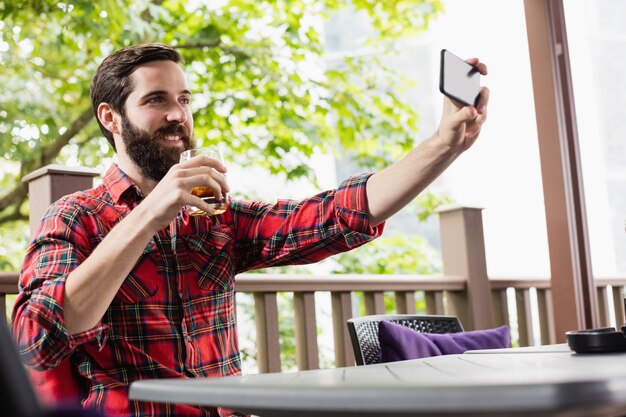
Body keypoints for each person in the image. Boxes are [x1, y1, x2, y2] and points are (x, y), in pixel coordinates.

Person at [12, 43, 489, 417]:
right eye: (157, 100)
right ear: (110, 117)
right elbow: (35, 339)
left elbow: (335, 215)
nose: (178, 114)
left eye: (183, 99)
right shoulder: (75, 217)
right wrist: (151, 213)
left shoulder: (215, 218)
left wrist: (444, 145)